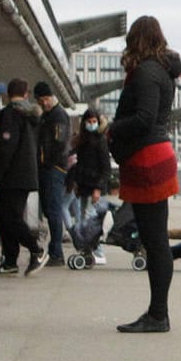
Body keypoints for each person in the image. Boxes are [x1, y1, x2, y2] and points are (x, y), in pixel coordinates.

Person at [107, 15, 181, 333]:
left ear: (136, 39)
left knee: (155, 241)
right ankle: (157, 313)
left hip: (147, 159)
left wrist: (112, 128)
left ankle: (158, 315)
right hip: (155, 155)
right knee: (155, 239)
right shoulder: (161, 71)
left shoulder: (147, 73)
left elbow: (144, 118)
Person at [0, 78, 43, 276]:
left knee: (9, 218)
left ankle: (35, 247)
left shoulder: (11, 114)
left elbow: (5, 147)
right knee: (4, 219)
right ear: (26, 94)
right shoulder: (31, 117)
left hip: (13, 176)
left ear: (7, 95)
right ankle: (10, 261)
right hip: (26, 174)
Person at [66, 107, 113, 264]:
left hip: (94, 187)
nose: (92, 124)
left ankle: (97, 250)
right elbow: (80, 164)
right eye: (89, 121)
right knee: (84, 217)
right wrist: (77, 184)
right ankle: (90, 249)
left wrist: (98, 188)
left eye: (94, 122)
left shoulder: (100, 141)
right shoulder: (82, 141)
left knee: (90, 218)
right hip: (84, 185)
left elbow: (106, 168)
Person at [34, 81, 72, 267]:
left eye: (43, 100)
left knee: (54, 209)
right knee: (51, 209)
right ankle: (55, 250)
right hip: (49, 167)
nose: (42, 104)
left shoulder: (58, 116)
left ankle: (56, 252)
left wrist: (47, 162)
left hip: (53, 168)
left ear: (47, 98)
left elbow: (59, 143)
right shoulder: (49, 116)